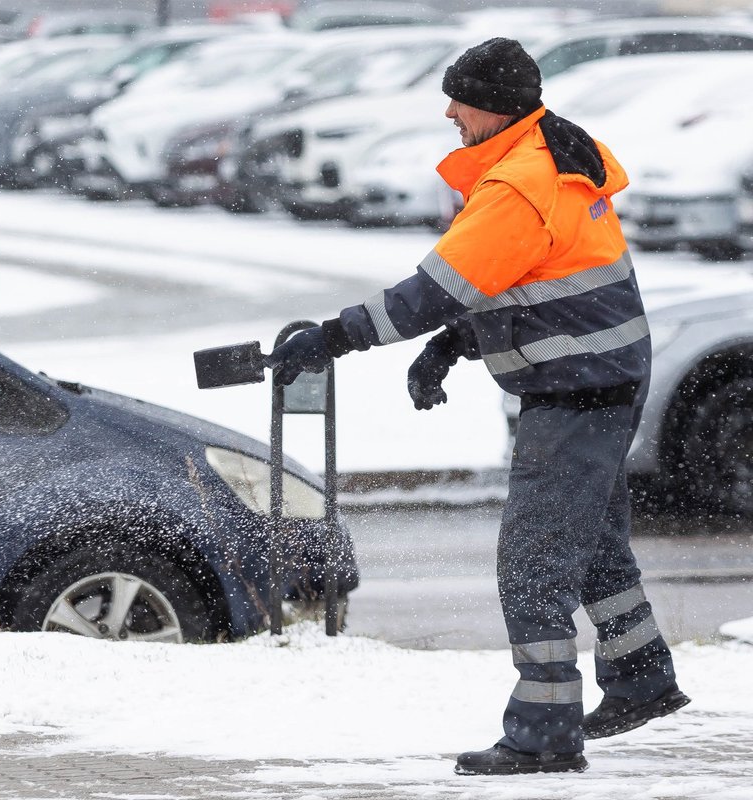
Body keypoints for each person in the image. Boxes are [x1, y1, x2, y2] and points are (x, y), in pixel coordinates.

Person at [265, 37, 689, 776]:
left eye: (460, 100)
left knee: (532, 564)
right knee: (586, 542)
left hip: (578, 390)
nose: (451, 114)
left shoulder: (517, 186)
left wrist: (335, 337)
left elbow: (429, 291)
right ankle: (641, 676)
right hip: (601, 376)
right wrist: (455, 345)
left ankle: (544, 731)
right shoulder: (550, 158)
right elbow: (524, 277)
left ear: (494, 107)